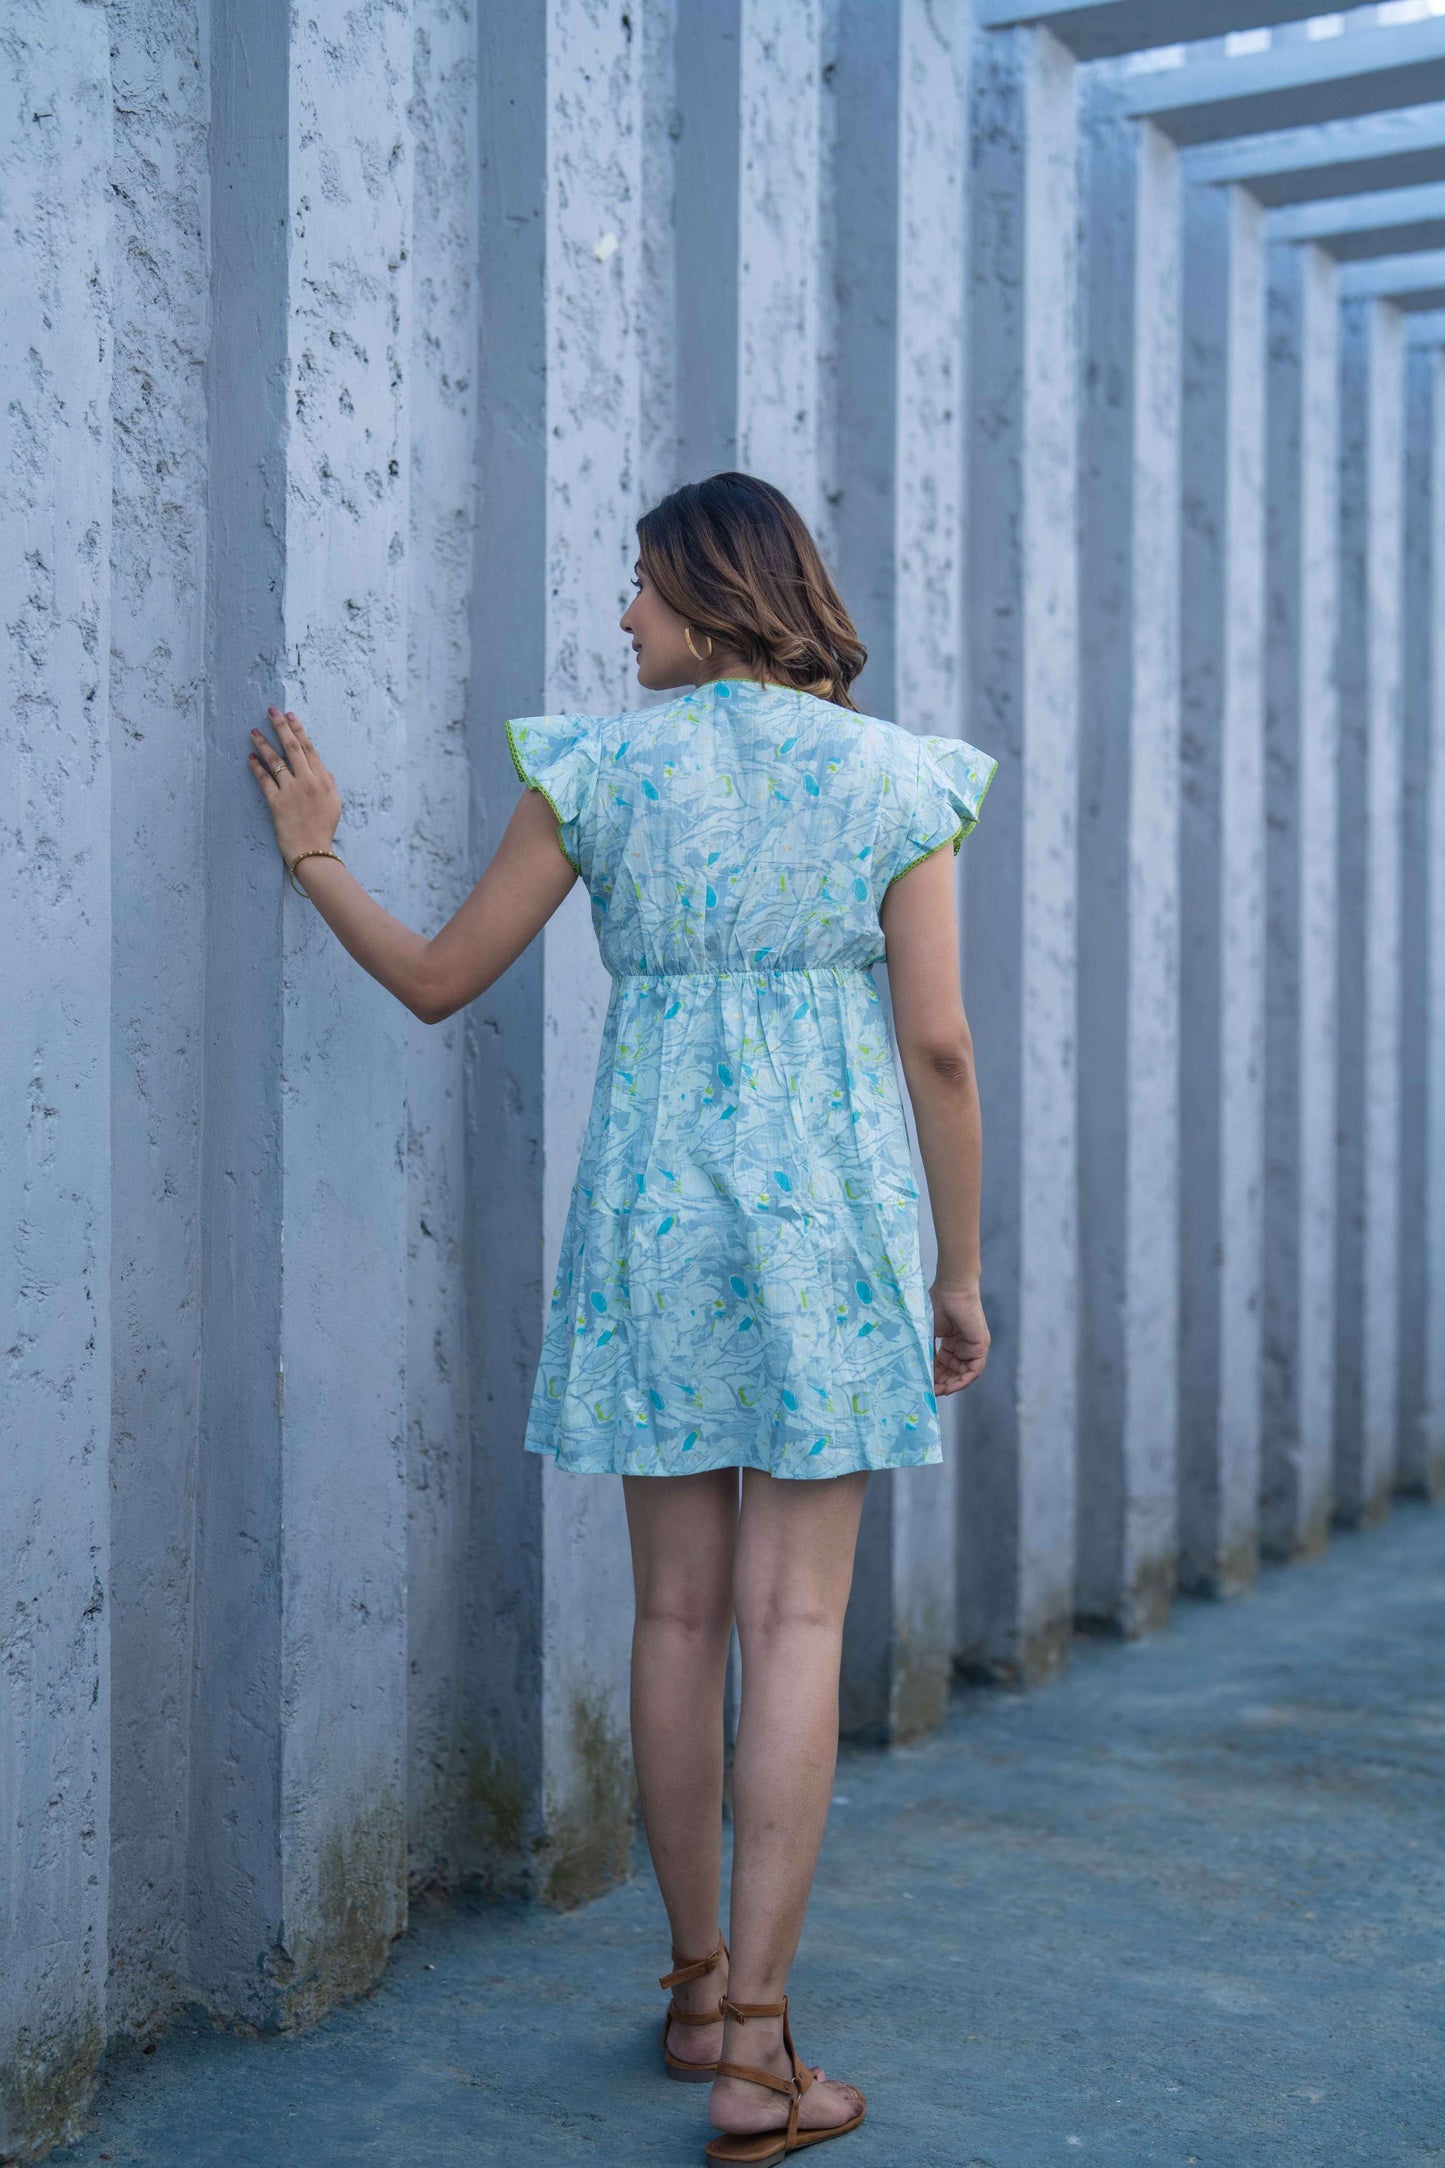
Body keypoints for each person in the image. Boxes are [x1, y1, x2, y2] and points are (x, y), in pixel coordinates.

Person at [246, 470, 995, 2163]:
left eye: (643, 584)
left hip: (653, 1223)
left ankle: (695, 1989)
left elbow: (436, 978)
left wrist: (314, 856)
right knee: (793, 1625)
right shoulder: (900, 779)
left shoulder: (597, 771)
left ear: (717, 594)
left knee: (672, 1617)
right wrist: (955, 1272)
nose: (622, 614)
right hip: (826, 1232)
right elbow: (940, 1050)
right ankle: (760, 2056)